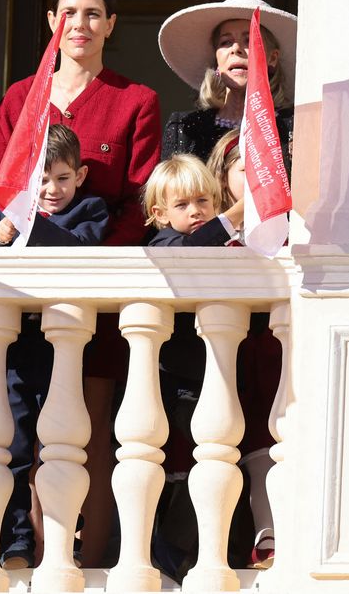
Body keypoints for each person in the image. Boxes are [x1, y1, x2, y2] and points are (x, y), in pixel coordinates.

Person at [0, 0, 161, 566]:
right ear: (51, 23)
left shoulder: (136, 101)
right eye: (68, 12)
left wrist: (92, 272)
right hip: (24, 292)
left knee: (95, 432)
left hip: (99, 292)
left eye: (92, 13)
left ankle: (97, 562)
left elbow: (140, 203)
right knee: (26, 428)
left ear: (110, 23)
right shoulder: (18, 99)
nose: (78, 24)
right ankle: (34, 556)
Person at [0, 124, 109, 569]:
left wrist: (30, 225)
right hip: (14, 349)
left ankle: (66, 540)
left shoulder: (90, 209)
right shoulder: (9, 211)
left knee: (61, 447)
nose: (51, 189)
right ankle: (15, 544)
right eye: (41, 179)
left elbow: (81, 249)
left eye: (62, 178)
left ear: (81, 176)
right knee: (12, 446)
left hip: (63, 348)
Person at [142, 153, 244, 581]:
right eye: (182, 205)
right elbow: (185, 254)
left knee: (214, 456)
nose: (196, 211)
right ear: (159, 213)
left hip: (216, 368)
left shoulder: (225, 243)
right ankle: (164, 546)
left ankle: (183, 547)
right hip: (174, 371)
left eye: (204, 201)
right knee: (182, 461)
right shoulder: (164, 244)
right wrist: (239, 213)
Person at [207, 129, 280, 570]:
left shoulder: (288, 226)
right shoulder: (209, 223)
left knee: (269, 440)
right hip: (221, 348)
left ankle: (268, 536)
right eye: (242, 169)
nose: (254, 177)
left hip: (271, 347)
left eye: (263, 168)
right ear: (222, 176)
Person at [159, 0, 297, 170]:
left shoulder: (294, 127)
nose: (235, 49)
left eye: (250, 40)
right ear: (217, 61)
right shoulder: (185, 128)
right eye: (226, 42)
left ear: (272, 58)